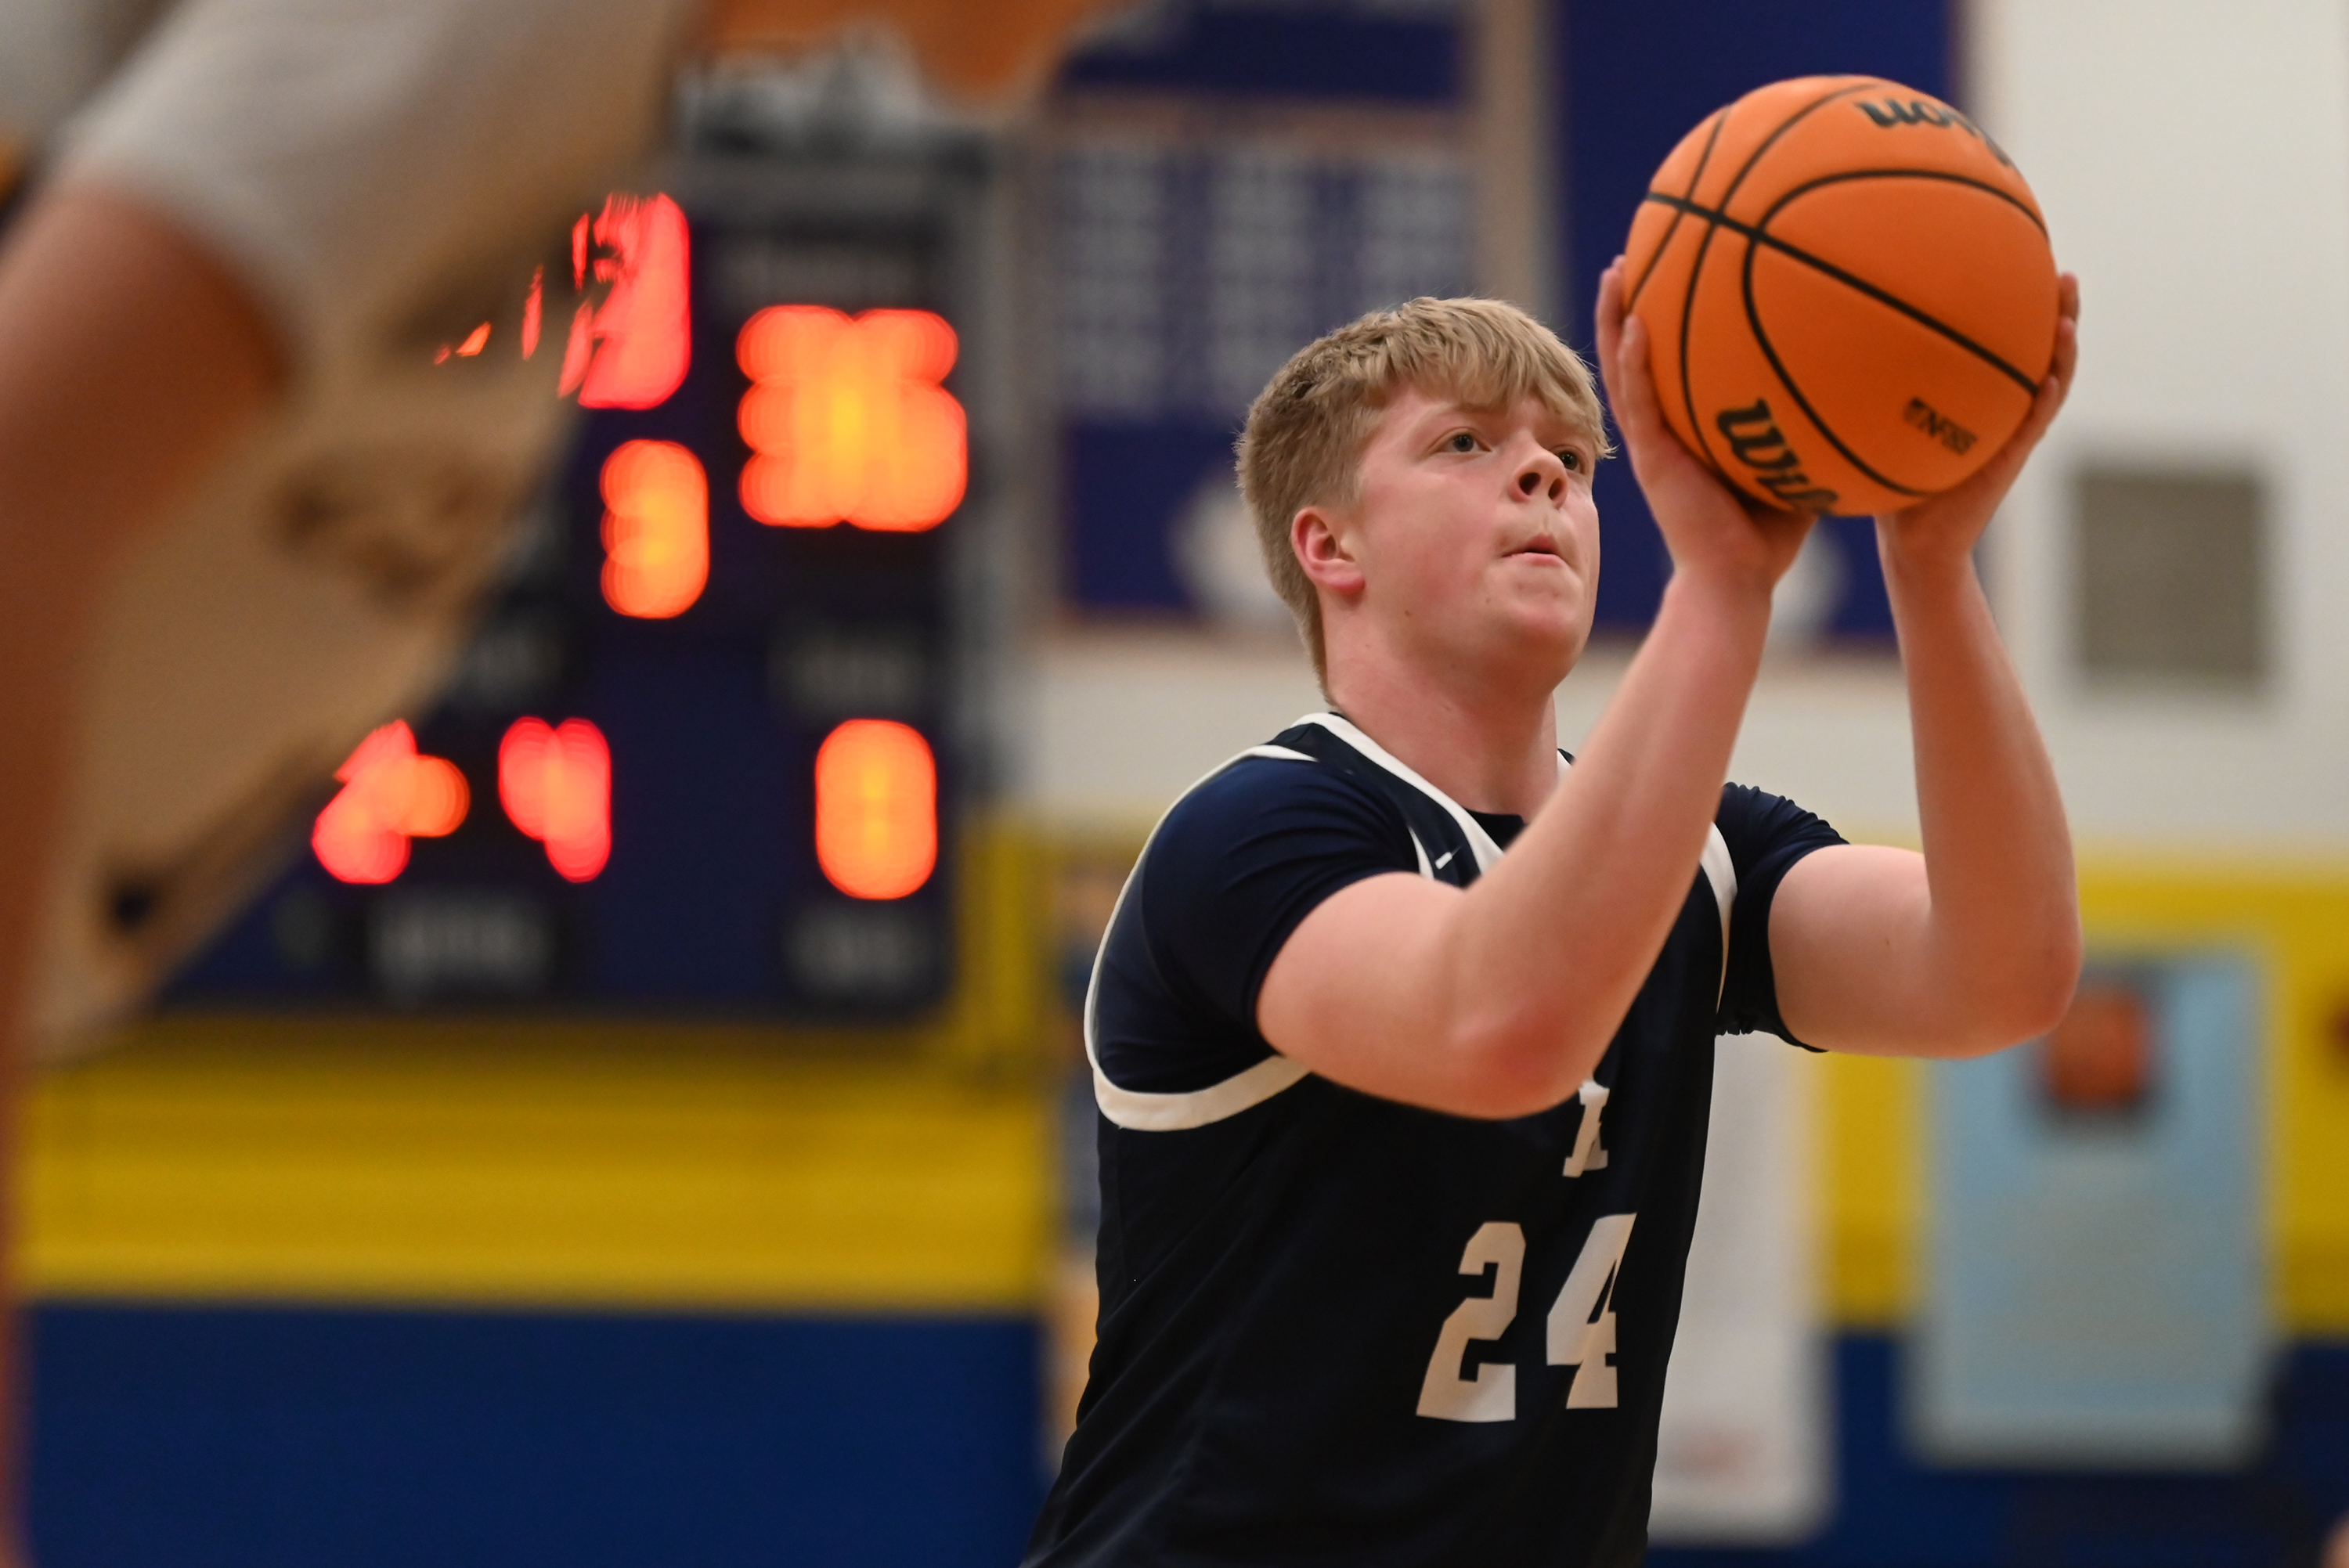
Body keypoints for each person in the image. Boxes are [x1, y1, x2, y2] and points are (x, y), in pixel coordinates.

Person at [1026, 276, 2083, 1564]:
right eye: (1466, 443)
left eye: (1572, 459)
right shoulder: (1253, 835)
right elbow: (1500, 1030)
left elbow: (2002, 976)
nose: (1541, 477)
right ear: (1329, 545)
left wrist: (1931, 564)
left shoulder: (1701, 852)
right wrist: (1724, 589)